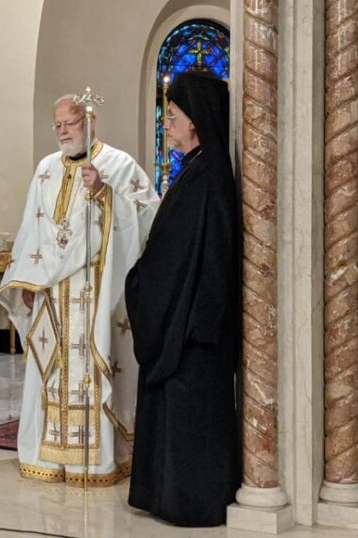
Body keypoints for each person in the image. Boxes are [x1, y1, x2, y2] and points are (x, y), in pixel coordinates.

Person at [0, 94, 159, 486]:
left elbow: (149, 214)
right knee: (50, 368)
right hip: (51, 294)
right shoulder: (45, 170)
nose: (63, 132)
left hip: (95, 292)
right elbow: (31, 230)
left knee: (91, 368)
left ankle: (96, 460)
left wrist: (106, 195)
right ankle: (48, 457)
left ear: (91, 123)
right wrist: (29, 281)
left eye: (69, 123)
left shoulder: (119, 165)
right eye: (57, 125)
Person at [125, 72, 241, 526]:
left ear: (195, 122)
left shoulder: (207, 178)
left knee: (193, 420)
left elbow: (200, 259)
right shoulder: (195, 172)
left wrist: (143, 282)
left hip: (194, 330)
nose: (167, 124)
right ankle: (165, 494)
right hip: (184, 323)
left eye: (172, 116)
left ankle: (191, 501)